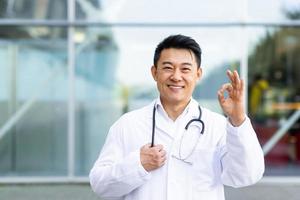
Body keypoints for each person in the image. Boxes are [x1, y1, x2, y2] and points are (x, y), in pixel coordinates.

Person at [89, 34, 265, 200]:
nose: (176, 76)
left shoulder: (218, 126)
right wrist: (137, 165)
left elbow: (246, 176)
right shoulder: (128, 124)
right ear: (154, 73)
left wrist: (238, 119)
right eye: (168, 68)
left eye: (185, 69)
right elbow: (100, 184)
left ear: (198, 74)